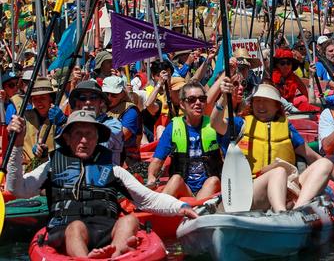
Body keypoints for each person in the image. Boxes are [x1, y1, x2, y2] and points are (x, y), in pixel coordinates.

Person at [7, 110, 196, 258]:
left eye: (89, 135)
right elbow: (17, 189)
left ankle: (116, 253)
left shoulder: (113, 170)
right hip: (66, 232)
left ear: (98, 139)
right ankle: (84, 259)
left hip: (106, 232)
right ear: (66, 138)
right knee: (76, 227)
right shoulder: (50, 167)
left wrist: (181, 207)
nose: (84, 140)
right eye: (78, 134)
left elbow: (148, 199)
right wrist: (17, 145)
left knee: (130, 220)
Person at [213, 82, 334, 212]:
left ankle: (297, 210)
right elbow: (216, 123)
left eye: (266, 101)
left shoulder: (286, 127)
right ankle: (281, 212)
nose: (261, 106)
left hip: (287, 187)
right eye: (257, 101)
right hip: (249, 192)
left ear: (277, 106)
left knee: (325, 163)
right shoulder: (240, 124)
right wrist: (223, 99)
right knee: (279, 171)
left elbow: (311, 156)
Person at [147, 80, 222, 200]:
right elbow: (157, 161)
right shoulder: (173, 127)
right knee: (176, 178)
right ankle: (158, 212)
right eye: (192, 99)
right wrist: (151, 177)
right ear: (182, 104)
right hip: (184, 187)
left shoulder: (215, 124)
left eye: (202, 99)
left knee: (213, 180)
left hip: (210, 185)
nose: (198, 103)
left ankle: (196, 212)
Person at [68, 80, 124, 165]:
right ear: (77, 103)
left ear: (101, 102)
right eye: (83, 98)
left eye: (93, 97)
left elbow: (95, 147)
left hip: (107, 176)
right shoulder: (70, 126)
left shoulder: (113, 125)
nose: (88, 102)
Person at [20, 78, 66, 166]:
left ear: (51, 99)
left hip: (52, 168)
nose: (39, 102)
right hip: (28, 171)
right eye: (35, 99)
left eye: (42, 98)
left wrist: (62, 123)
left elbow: (68, 143)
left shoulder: (59, 117)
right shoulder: (25, 117)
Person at [103, 75, 143, 166]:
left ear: (122, 94)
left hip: (126, 160)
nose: (109, 98)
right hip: (104, 156)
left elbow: (121, 136)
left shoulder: (131, 111)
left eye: (114, 95)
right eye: (106, 94)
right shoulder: (99, 107)